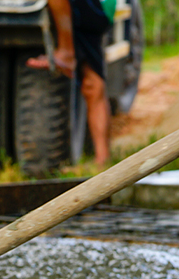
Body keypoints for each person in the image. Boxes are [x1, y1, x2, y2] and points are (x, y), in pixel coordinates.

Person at [27, 0, 116, 166]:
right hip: (91, 10)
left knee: (93, 86)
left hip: (98, 8)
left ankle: (66, 52)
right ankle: (103, 161)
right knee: (93, 85)